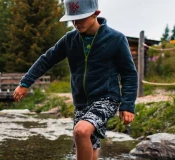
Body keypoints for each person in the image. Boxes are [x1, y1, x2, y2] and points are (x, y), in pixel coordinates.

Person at [12, 0, 137, 159]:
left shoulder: (116, 39)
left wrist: (127, 104)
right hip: (81, 102)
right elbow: (46, 60)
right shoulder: (70, 40)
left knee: (81, 131)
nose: (76, 23)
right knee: (90, 146)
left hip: (106, 98)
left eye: (81, 18)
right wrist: (25, 83)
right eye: (73, 19)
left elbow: (129, 74)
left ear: (95, 14)